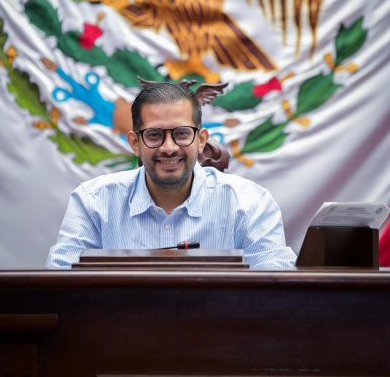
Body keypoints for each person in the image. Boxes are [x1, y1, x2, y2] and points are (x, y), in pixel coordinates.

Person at [46, 82, 296, 268]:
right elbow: (60, 287)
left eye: (182, 134)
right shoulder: (93, 201)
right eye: (154, 135)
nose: (168, 147)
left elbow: (277, 289)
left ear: (201, 140)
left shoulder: (250, 204)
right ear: (135, 143)